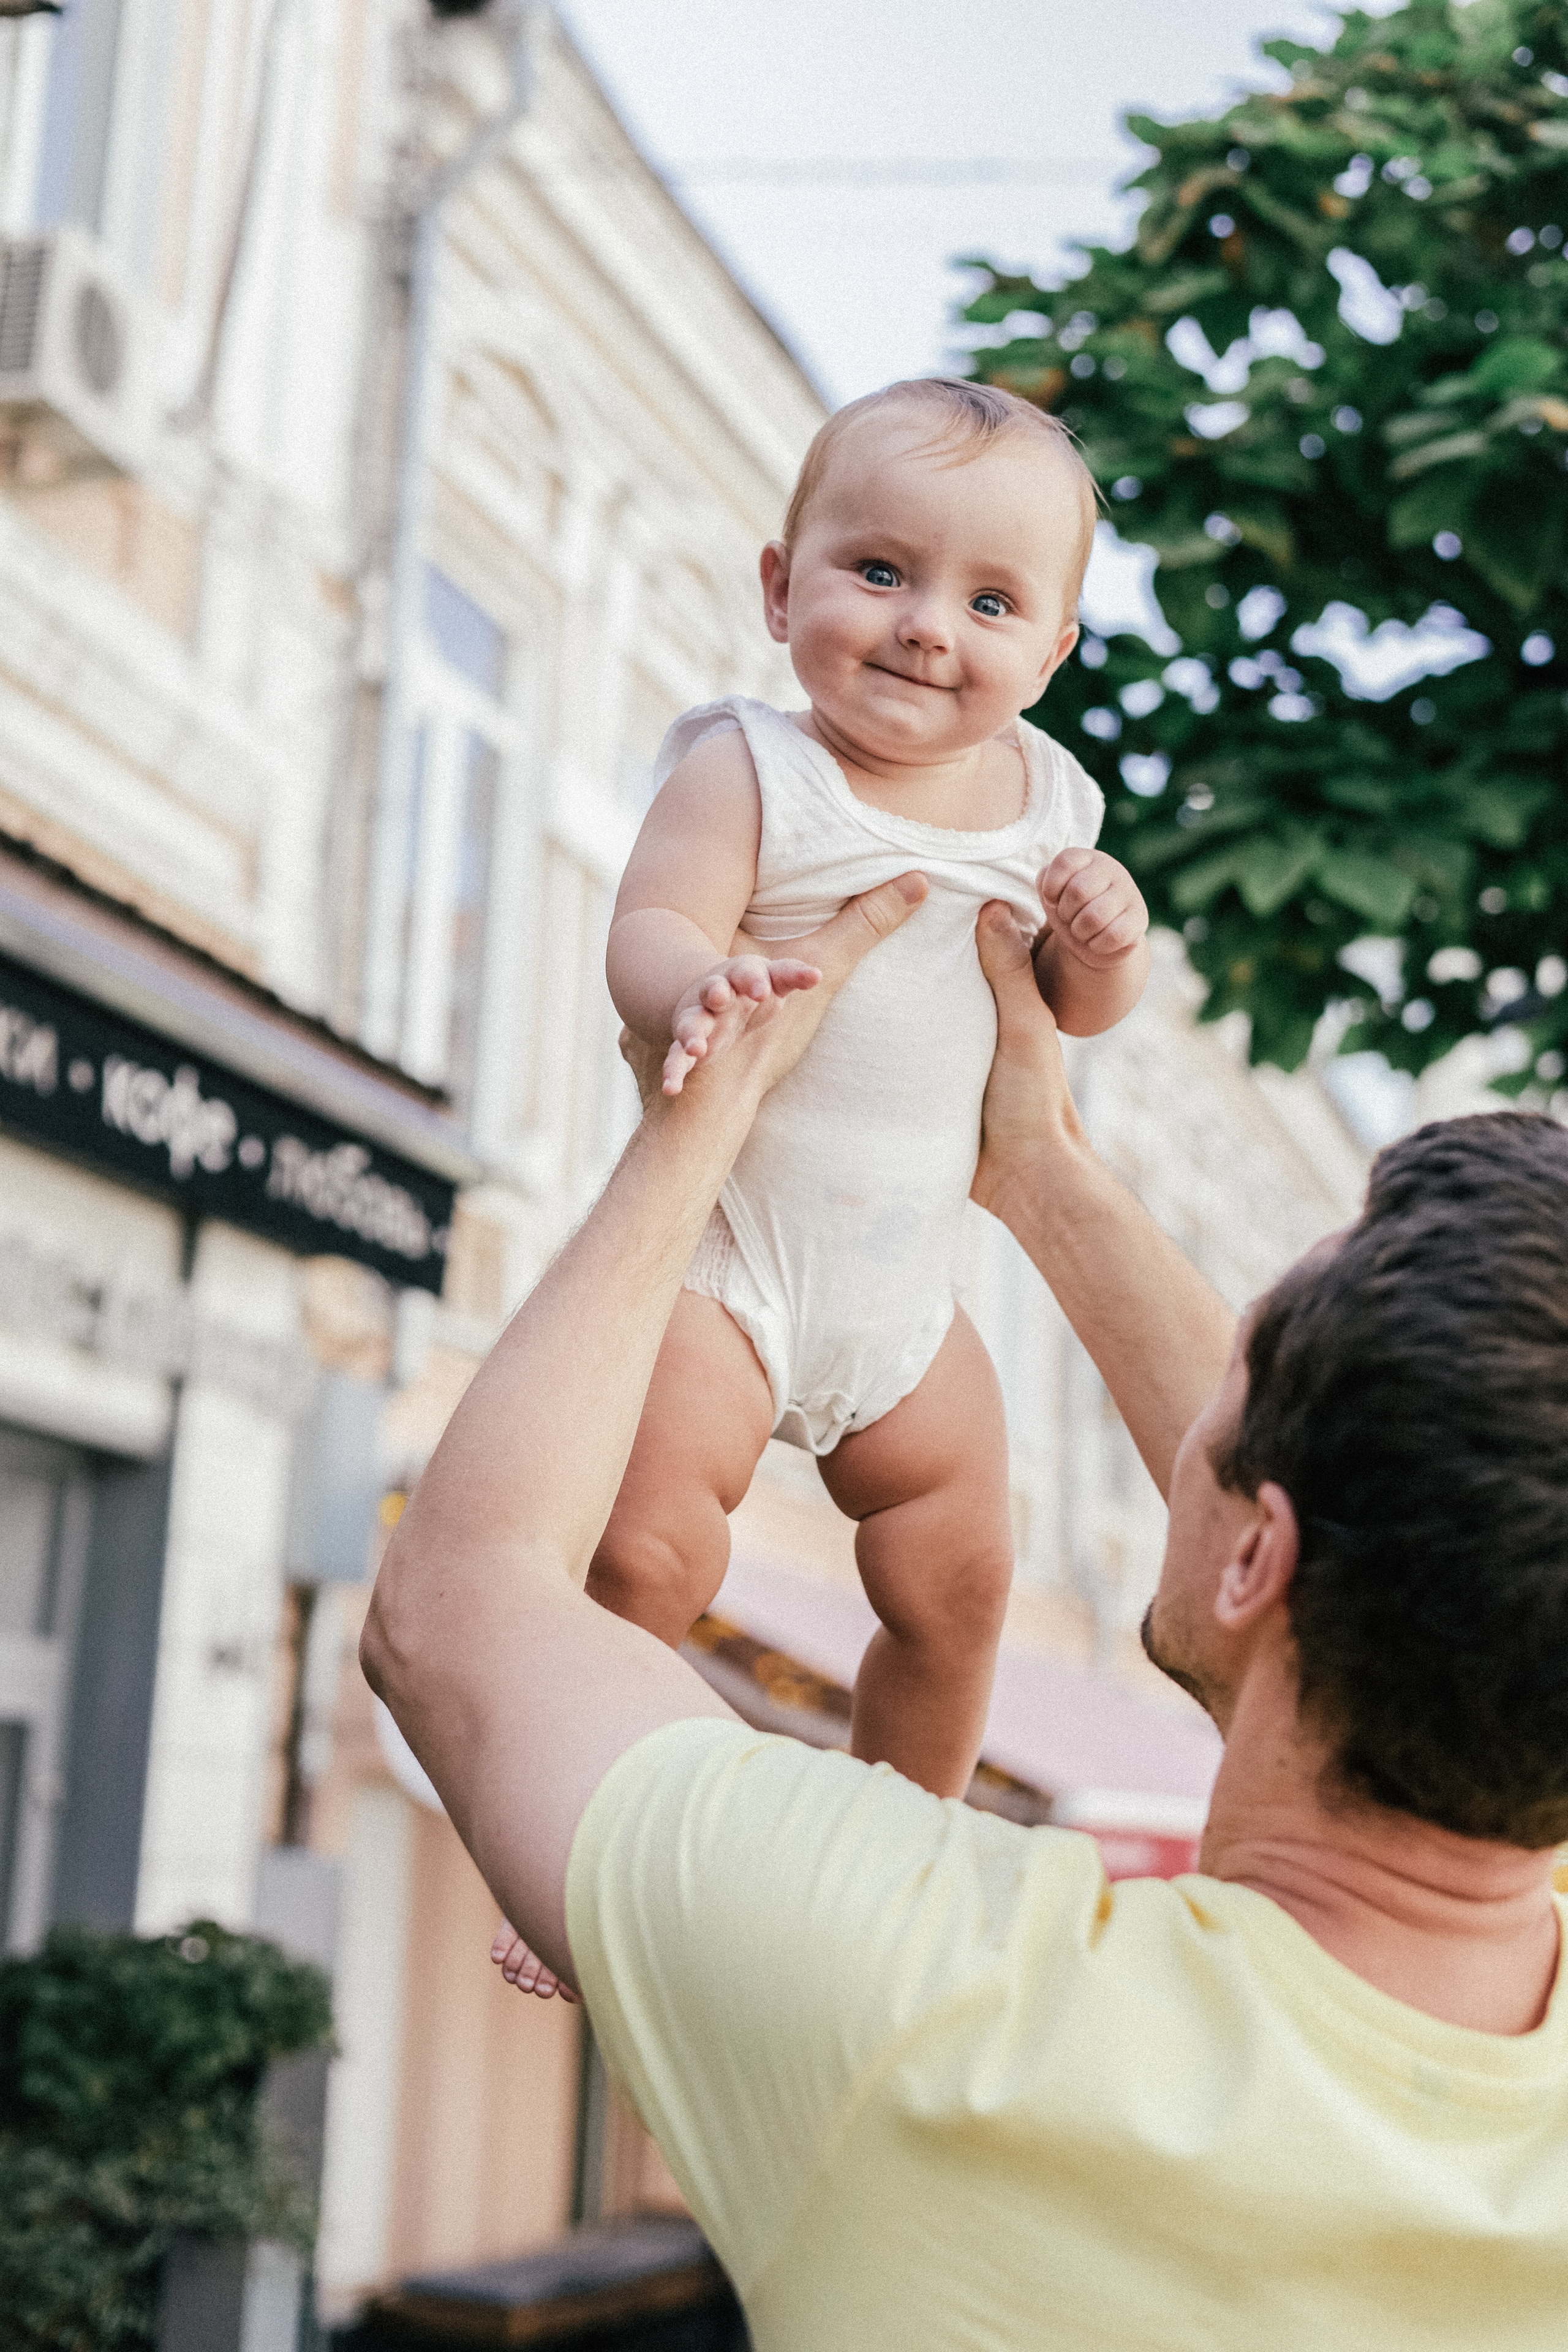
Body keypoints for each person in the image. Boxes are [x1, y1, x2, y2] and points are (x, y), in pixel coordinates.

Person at [363, 885, 1568, 2351]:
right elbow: (1413, 1569)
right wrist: (1038, 1168)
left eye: (1230, 1374)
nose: (1185, 1432)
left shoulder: (933, 2004)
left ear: (1257, 1563)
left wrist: (700, 1132)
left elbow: (457, 1611)